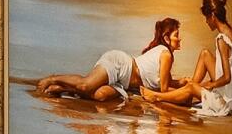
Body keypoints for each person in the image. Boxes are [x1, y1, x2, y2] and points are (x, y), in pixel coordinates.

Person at [144, 0, 232, 116]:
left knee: (191, 87)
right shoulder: (231, 31)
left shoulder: (222, 39)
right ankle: (187, 94)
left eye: (207, 18)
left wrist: (210, 84)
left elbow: (227, 78)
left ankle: (158, 96)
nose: (206, 21)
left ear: (213, 16)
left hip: (229, 104)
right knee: (205, 54)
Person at [34, 16, 181, 102]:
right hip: (120, 65)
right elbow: (164, 89)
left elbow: (164, 82)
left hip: (124, 84)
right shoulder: (166, 54)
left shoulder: (163, 53)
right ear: (166, 38)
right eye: (176, 35)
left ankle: (63, 87)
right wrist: (186, 90)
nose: (180, 39)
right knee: (86, 86)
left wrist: (182, 83)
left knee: (100, 96)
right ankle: (53, 78)